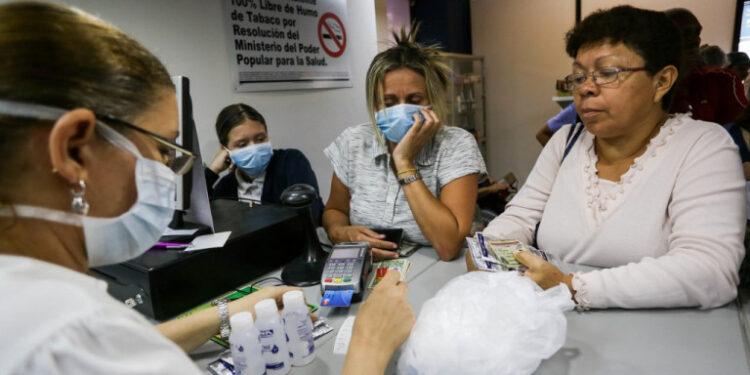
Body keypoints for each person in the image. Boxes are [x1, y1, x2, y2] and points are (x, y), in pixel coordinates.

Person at [0, 3, 412, 374]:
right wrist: (370, 344)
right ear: (73, 151)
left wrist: (227, 312)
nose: (169, 171)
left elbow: (127, 344)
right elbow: (98, 343)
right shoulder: (68, 337)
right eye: (162, 148)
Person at [481, 5, 745, 310]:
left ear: (662, 81)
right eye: (578, 76)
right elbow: (519, 218)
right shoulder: (566, 142)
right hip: (554, 329)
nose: (586, 89)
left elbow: (709, 270)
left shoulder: (703, 146)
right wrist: (488, 251)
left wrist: (571, 287)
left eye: (607, 74)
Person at [323, 26, 486, 261]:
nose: (400, 109)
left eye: (414, 100)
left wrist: (404, 162)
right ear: (375, 105)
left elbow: (449, 246)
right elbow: (335, 210)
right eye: (388, 102)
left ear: (432, 100)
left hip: (435, 273)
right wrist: (340, 232)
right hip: (367, 267)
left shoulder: (456, 144)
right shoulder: (354, 140)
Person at [205, 103, 324, 224]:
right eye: (242, 144)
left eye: (260, 139)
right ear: (225, 149)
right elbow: (201, 218)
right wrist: (212, 171)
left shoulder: (291, 162)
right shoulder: (225, 187)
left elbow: (310, 216)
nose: (254, 148)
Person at [667, 8, 747, 125]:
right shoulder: (645, 82)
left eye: (697, 33)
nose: (695, 40)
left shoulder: (721, 80)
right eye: (685, 33)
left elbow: (741, 126)